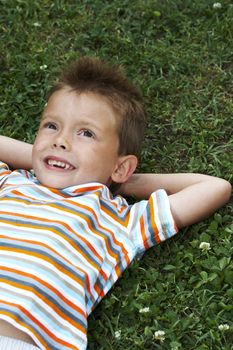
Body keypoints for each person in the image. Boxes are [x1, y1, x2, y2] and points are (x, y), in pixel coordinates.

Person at [0, 57, 231, 350]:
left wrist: (118, 181)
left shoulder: (119, 219)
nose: (60, 140)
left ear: (122, 166)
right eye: (51, 125)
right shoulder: (12, 182)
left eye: (85, 133)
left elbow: (215, 187)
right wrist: (38, 155)